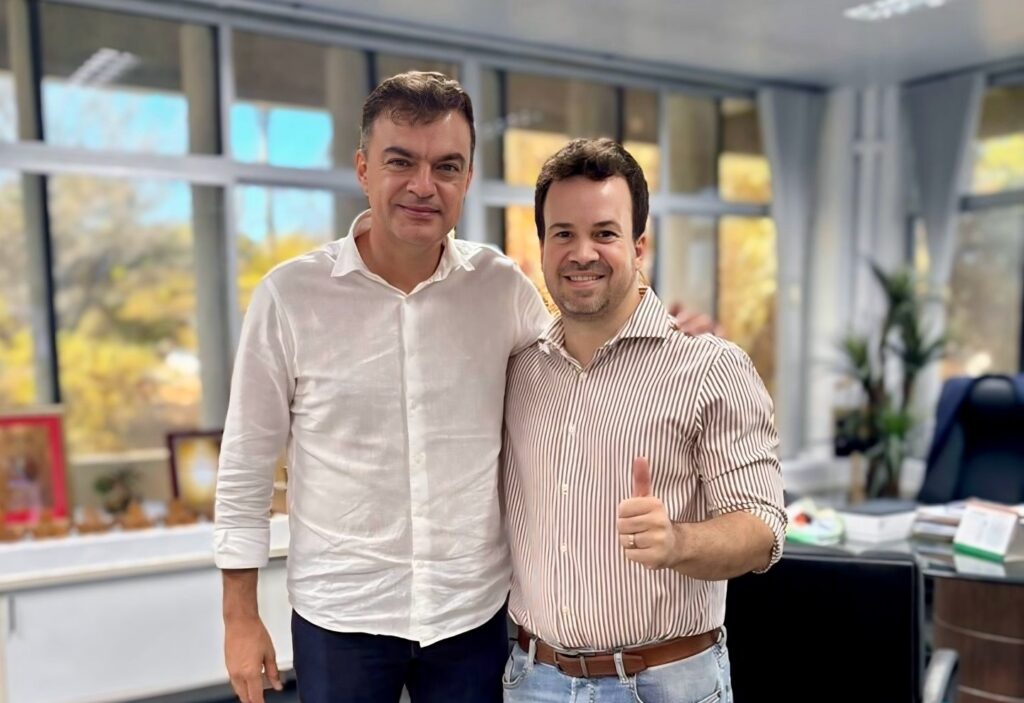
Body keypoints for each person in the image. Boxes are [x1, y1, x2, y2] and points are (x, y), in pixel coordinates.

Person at [214, 71, 550, 703]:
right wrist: (239, 617)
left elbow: (573, 384)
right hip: (341, 615)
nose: (424, 185)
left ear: (467, 179)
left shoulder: (502, 288)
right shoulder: (290, 297)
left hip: (470, 612)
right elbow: (246, 465)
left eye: (447, 166)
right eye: (402, 162)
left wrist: (656, 335)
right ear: (364, 169)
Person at [501, 138, 786, 703]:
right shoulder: (518, 369)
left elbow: (763, 529)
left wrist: (677, 541)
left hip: (663, 685)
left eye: (604, 233)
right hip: (533, 680)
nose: (582, 252)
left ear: (639, 246)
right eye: (563, 233)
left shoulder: (711, 367)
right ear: (543, 247)